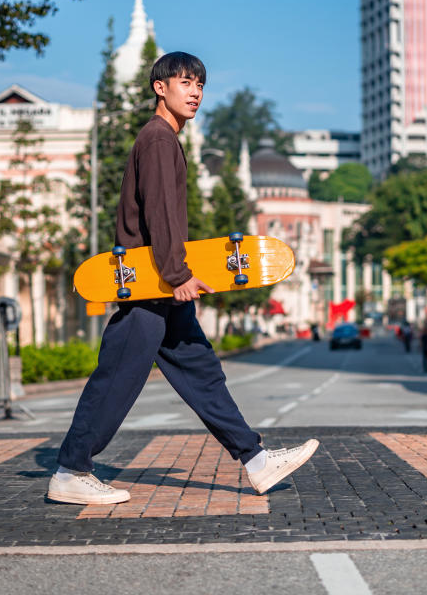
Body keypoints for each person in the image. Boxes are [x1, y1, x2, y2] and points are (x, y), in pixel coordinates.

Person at [48, 52, 319, 505]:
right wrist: (178, 275)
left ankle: (255, 460)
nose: (195, 93)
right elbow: (160, 213)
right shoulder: (158, 139)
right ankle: (71, 470)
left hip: (161, 287)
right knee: (116, 380)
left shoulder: (166, 139)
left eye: (200, 86)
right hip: (151, 287)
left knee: (201, 371)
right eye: (186, 83)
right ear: (161, 87)